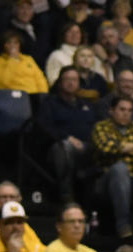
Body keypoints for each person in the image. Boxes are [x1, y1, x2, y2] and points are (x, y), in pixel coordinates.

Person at [91, 95, 133, 239]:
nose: (126, 113)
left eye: (130, 110)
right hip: (105, 181)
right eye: (122, 109)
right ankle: (123, 225)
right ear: (112, 110)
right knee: (120, 169)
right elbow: (106, 147)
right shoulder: (101, 127)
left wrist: (127, 147)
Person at [39, 68, 98, 202]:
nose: (71, 83)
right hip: (58, 147)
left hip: (87, 147)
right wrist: (67, 137)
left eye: (74, 80)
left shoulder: (87, 105)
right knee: (65, 147)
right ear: (60, 82)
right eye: (67, 79)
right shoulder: (50, 103)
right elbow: (44, 127)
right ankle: (66, 195)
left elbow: (96, 127)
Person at [0, 183, 44, 251]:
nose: (8, 200)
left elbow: (40, 249)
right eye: (3, 197)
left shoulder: (24, 225)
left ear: (19, 200)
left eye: (12, 197)